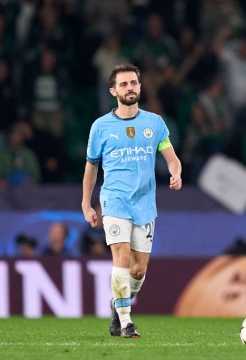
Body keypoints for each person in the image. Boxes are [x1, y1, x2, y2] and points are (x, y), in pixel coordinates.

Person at [81, 63, 182, 339]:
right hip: (114, 201)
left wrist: (176, 173)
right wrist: (86, 203)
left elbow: (171, 158)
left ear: (140, 87)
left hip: (145, 204)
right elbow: (91, 167)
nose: (129, 88)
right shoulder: (100, 127)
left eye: (133, 83)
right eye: (123, 84)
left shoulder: (154, 123)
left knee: (138, 271)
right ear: (113, 90)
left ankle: (118, 303)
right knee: (121, 257)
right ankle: (125, 322)